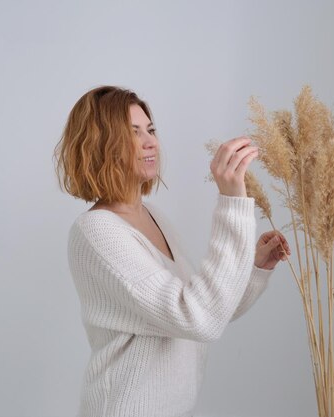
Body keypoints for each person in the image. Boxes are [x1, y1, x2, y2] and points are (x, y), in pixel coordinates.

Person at [54, 85, 290, 417]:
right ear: (100, 145)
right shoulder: (96, 232)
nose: (150, 141)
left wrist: (254, 268)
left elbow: (207, 305)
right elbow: (198, 318)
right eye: (133, 133)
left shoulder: (153, 217)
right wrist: (233, 202)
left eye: (150, 130)